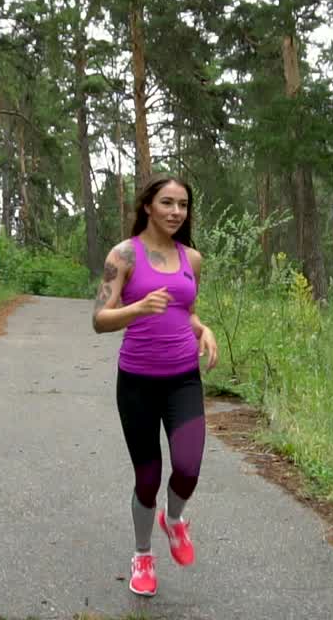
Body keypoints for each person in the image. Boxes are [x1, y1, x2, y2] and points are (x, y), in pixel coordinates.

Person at [91, 175, 219, 597]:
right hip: (138, 382)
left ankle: (175, 519)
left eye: (182, 205)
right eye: (167, 203)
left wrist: (204, 329)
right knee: (147, 478)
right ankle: (143, 554)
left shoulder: (192, 258)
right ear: (148, 206)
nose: (176, 212)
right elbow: (99, 320)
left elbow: (187, 310)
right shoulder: (124, 255)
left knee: (189, 466)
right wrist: (138, 307)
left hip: (183, 376)